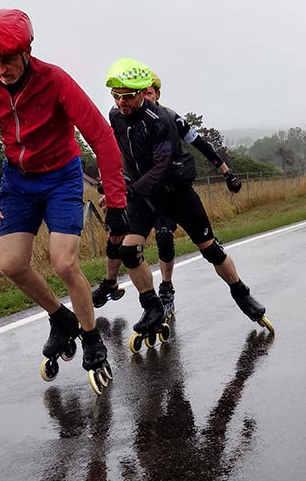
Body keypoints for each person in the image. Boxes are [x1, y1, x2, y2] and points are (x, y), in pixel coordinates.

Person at [0, 9, 128, 395]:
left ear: (27, 51)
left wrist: (117, 201)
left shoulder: (53, 80)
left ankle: (91, 338)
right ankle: (60, 319)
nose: (0, 68)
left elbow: (102, 137)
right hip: (18, 181)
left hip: (60, 176)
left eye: (7, 59)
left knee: (64, 261)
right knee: (11, 264)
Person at [104, 57, 272, 351]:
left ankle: (241, 293)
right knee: (128, 250)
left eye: (127, 96)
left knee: (210, 250)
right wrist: (116, 187)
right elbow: (121, 156)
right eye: (116, 96)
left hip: (175, 192)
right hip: (143, 196)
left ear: (145, 93)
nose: (121, 102)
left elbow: (163, 166)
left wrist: (227, 173)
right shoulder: (115, 116)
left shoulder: (165, 120)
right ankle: (153, 305)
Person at [92, 71, 243, 318]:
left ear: (154, 94)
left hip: (167, 187)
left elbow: (202, 145)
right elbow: (111, 148)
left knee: (164, 236)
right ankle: (110, 283)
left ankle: (167, 286)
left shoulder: (170, 119)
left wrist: (227, 173)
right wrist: (107, 182)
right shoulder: (122, 116)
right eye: (120, 97)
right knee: (117, 236)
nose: (127, 102)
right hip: (138, 188)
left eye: (149, 93)